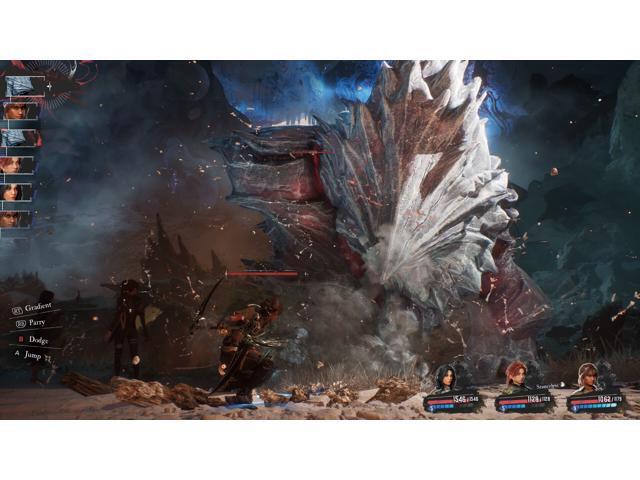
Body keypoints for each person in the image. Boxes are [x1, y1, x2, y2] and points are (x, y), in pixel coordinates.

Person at [215, 297, 284, 404]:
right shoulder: (254, 312)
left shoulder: (264, 321)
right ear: (272, 311)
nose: (276, 317)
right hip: (233, 351)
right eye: (276, 314)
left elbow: (252, 339)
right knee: (267, 364)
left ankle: (241, 390)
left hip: (243, 351)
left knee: (266, 368)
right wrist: (239, 319)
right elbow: (231, 318)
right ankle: (242, 393)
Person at [106, 279, 150, 378]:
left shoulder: (125, 299)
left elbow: (118, 316)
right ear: (133, 289)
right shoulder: (130, 300)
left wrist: (110, 330)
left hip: (124, 330)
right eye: (136, 289)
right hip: (127, 330)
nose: (137, 291)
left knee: (123, 354)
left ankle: (121, 376)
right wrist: (145, 333)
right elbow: (140, 317)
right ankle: (132, 377)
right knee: (131, 354)